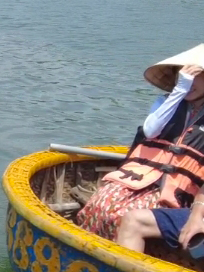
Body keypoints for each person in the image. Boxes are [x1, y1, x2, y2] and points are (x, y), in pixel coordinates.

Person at [85, 49, 204, 254]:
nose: (190, 82)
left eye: (196, 76)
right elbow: (150, 130)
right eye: (184, 76)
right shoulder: (166, 102)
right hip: (138, 179)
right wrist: (179, 91)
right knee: (101, 205)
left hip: (174, 191)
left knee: (126, 215)